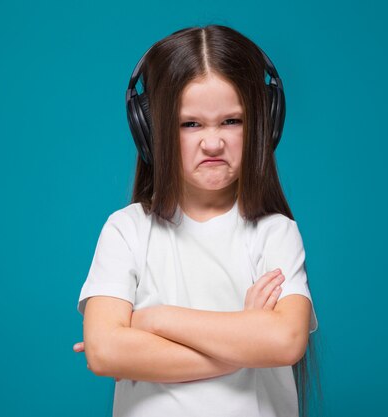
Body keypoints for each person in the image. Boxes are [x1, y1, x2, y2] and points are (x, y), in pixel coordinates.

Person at [74, 25, 319, 417]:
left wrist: (152, 321)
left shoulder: (275, 233)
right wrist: (243, 339)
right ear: (150, 130)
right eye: (190, 124)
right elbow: (105, 352)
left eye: (232, 121)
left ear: (263, 124)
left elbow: (285, 340)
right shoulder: (127, 231)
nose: (212, 142)